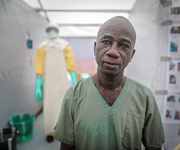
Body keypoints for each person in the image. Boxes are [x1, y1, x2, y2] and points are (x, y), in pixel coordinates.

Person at [54, 16, 165, 150]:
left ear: (132, 55)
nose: (113, 52)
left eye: (124, 45)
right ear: (95, 48)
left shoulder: (145, 98)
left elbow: (154, 147)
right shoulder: (73, 95)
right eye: (106, 42)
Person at [34, 23, 77, 142]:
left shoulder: (65, 46)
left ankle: (66, 131)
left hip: (63, 83)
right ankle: (51, 132)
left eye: (54, 30)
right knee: (50, 108)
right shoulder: (42, 48)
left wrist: (75, 83)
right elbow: (39, 69)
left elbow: (71, 66)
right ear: (46, 32)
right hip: (49, 85)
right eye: (49, 30)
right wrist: (38, 87)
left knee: (65, 108)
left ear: (58, 31)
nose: (52, 32)